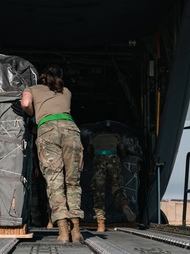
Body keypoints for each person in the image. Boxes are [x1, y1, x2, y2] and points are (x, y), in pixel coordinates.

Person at [21, 65, 84, 243]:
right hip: (70, 129)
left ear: (41, 77)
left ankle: (63, 231)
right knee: (73, 181)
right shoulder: (66, 91)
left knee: (55, 181)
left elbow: (25, 104)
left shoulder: (32, 89)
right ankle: (76, 231)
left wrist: (32, 114)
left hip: (48, 130)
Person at [86, 128, 136, 232]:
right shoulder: (116, 136)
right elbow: (122, 151)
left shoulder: (93, 137)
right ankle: (124, 205)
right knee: (117, 187)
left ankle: (101, 224)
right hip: (113, 157)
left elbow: (89, 152)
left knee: (98, 191)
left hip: (99, 158)